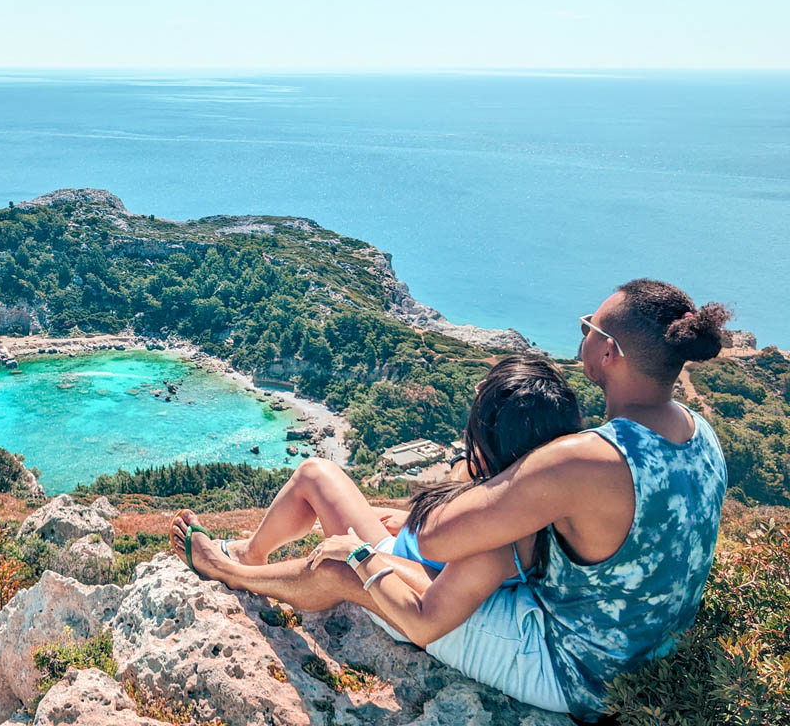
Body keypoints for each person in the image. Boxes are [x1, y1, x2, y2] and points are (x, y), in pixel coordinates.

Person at [171, 278, 730, 722]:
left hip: (574, 668)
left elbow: (437, 538)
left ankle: (230, 570)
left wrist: (484, 478)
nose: (580, 335)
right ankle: (254, 554)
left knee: (350, 564)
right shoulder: (701, 434)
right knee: (370, 536)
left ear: (608, 351)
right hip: (645, 654)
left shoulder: (587, 460)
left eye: (586, 325)